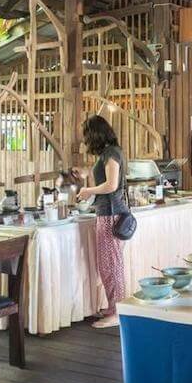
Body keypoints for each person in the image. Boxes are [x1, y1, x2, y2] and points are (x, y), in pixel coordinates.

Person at [75, 115, 128, 329]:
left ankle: (117, 313)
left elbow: (111, 185)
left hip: (110, 215)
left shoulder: (111, 153)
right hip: (109, 213)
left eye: (86, 135)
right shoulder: (110, 152)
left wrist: (88, 190)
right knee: (109, 265)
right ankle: (114, 307)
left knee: (111, 265)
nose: (85, 140)